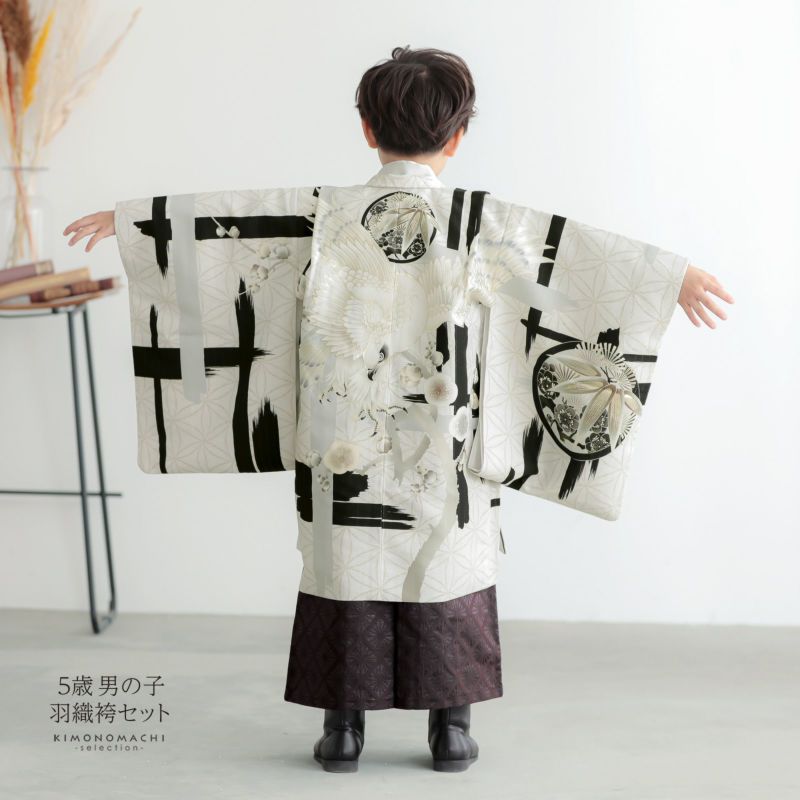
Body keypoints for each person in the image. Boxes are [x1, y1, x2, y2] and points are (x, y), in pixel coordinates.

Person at [62, 45, 734, 774]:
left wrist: (135, 225)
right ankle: (451, 732)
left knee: (342, 568)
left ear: (366, 129)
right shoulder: (479, 220)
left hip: (340, 435)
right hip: (447, 436)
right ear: (458, 136)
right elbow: (573, 258)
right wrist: (669, 278)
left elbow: (233, 226)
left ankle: (342, 731)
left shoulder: (323, 213)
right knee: (447, 562)